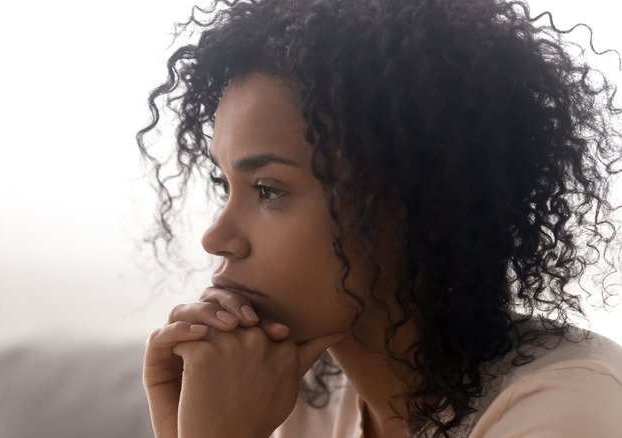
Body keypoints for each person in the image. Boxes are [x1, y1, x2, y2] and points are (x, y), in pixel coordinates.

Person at [136, 0, 622, 436]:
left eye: (268, 189)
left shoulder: (569, 413)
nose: (217, 238)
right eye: (227, 187)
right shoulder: (298, 395)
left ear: (423, 203)